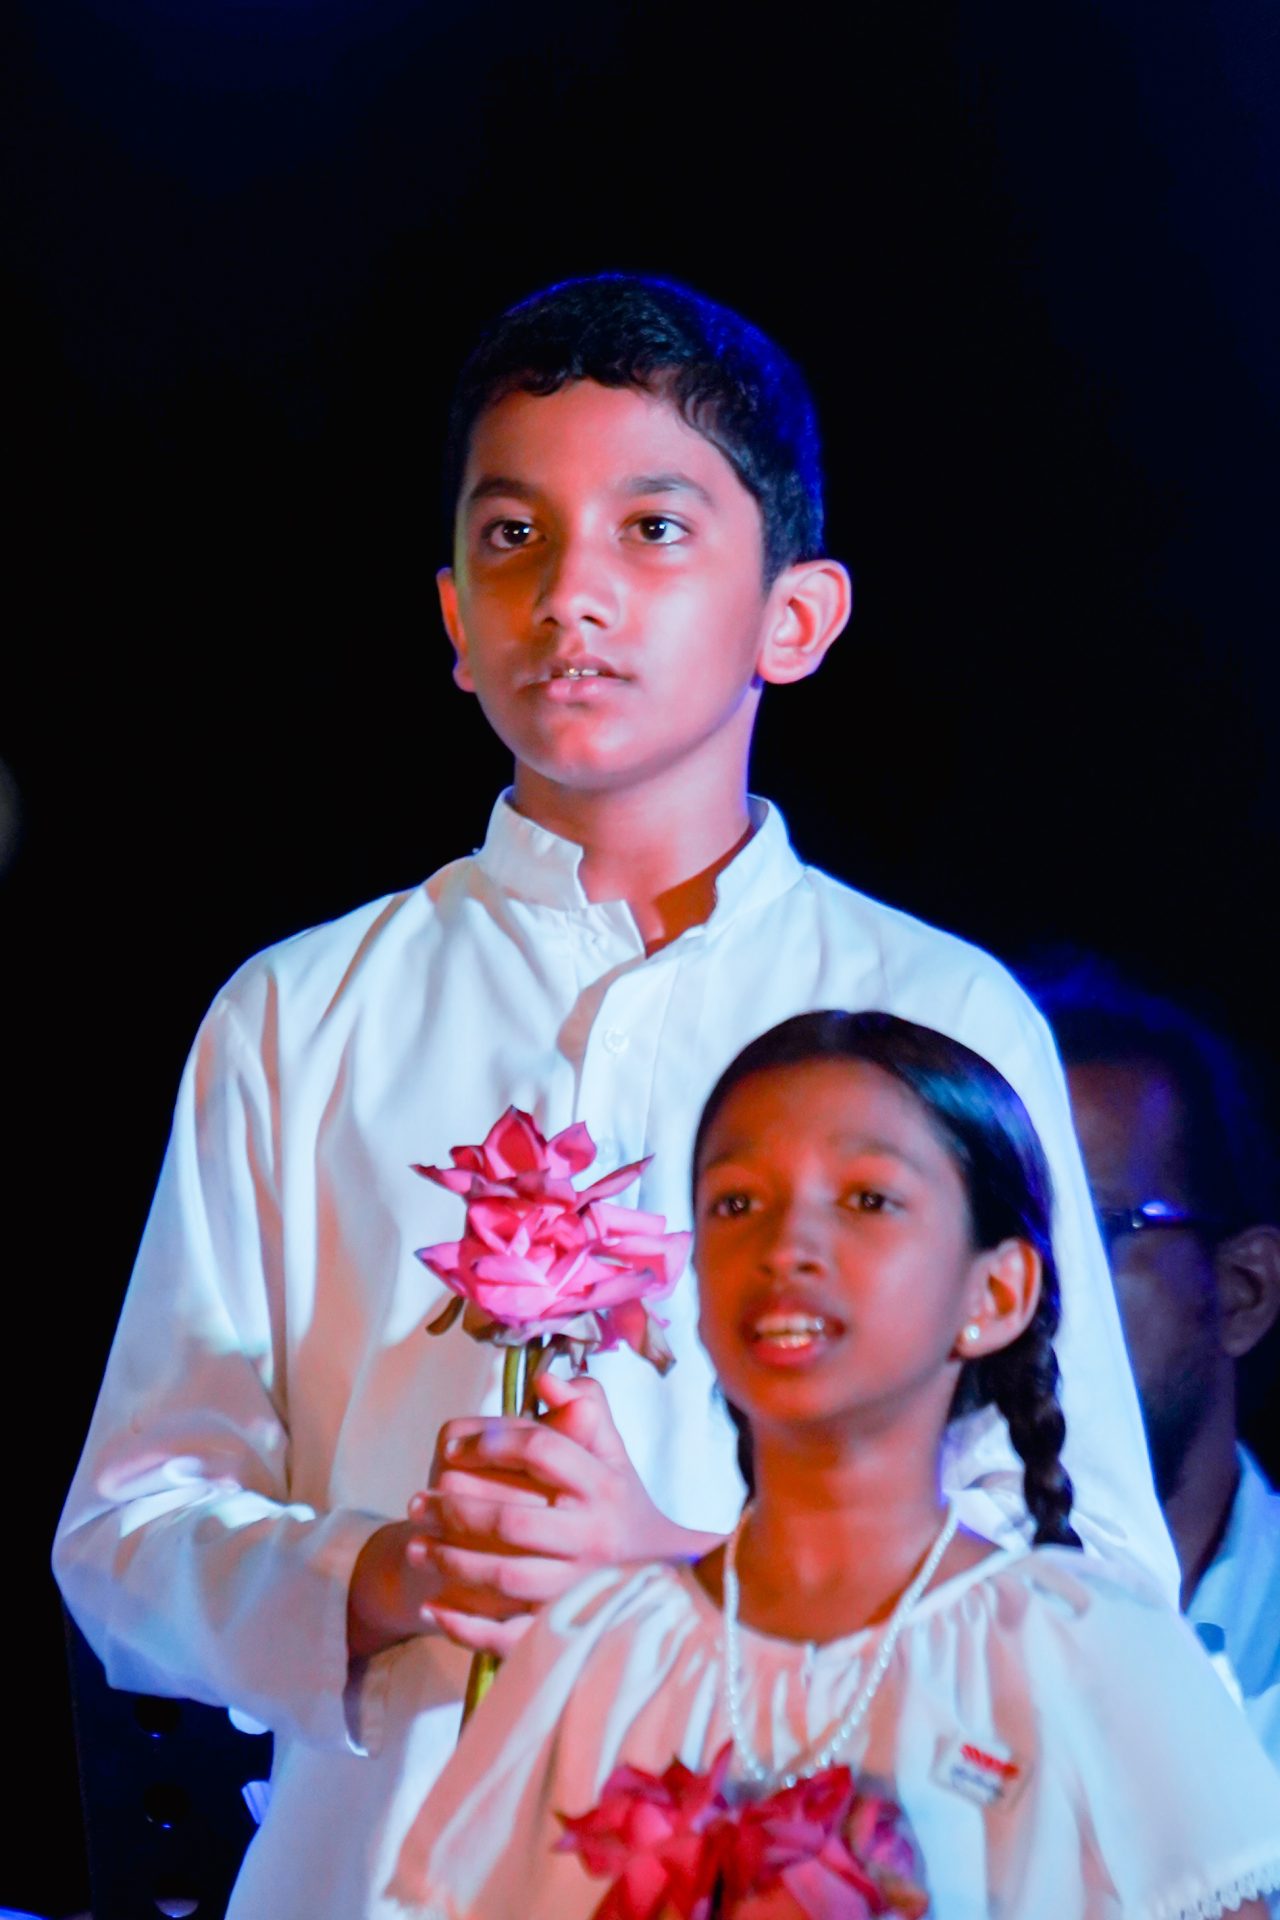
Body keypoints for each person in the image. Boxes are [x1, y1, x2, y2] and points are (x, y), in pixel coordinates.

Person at [54, 276, 1171, 1917]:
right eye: (514, 539)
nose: (571, 594)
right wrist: (381, 1572)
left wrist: (689, 1579)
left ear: (795, 617)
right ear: (450, 616)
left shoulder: (937, 1015)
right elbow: (129, 1536)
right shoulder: (299, 1016)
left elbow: (1103, 1585)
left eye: (654, 532)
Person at [392, 1011, 1280, 1919]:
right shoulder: (591, 1657)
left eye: (867, 1199)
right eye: (737, 1203)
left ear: (998, 1290)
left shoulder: (1091, 1652)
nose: (787, 1250)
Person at [1032, 956, 1280, 1764]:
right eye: (995, 1233)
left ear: (1244, 1290)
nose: (1023, 1292)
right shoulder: (881, 1644)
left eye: (1097, 1233)